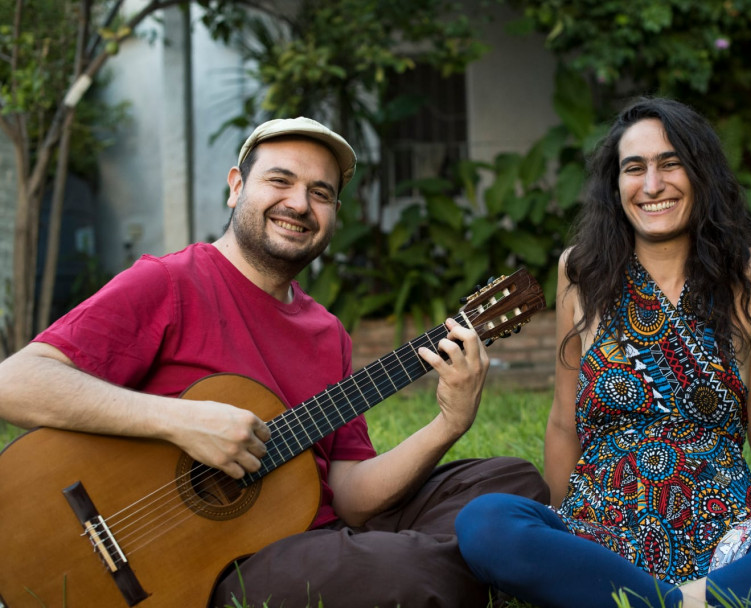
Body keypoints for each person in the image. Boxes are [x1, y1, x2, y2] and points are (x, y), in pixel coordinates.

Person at [0, 117, 548, 607]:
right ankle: (432, 571)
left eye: (321, 193)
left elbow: (352, 495)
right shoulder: (170, 282)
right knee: (403, 568)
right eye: (280, 181)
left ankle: (410, 572)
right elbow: (16, 382)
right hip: (227, 563)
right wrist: (180, 420)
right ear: (237, 187)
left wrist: (449, 423)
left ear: (333, 213)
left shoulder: (327, 333)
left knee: (508, 482)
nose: (299, 205)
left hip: (323, 536)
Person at [454, 97, 751, 608]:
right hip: (605, 538)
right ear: (616, 185)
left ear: (701, 172)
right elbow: (565, 422)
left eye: (670, 163)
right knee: (485, 521)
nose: (652, 185)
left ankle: (673, 601)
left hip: (729, 540)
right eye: (635, 168)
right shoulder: (582, 271)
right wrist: (560, 534)